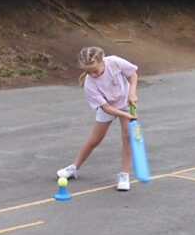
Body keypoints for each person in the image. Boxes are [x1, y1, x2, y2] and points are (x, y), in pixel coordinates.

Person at [56, 47, 139, 191]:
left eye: (95, 71)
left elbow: (132, 74)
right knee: (95, 139)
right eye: (88, 72)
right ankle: (74, 168)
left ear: (103, 62)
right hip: (108, 107)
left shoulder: (114, 62)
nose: (92, 75)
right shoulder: (89, 84)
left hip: (126, 102)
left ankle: (124, 175)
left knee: (127, 137)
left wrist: (132, 92)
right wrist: (125, 115)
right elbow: (106, 108)